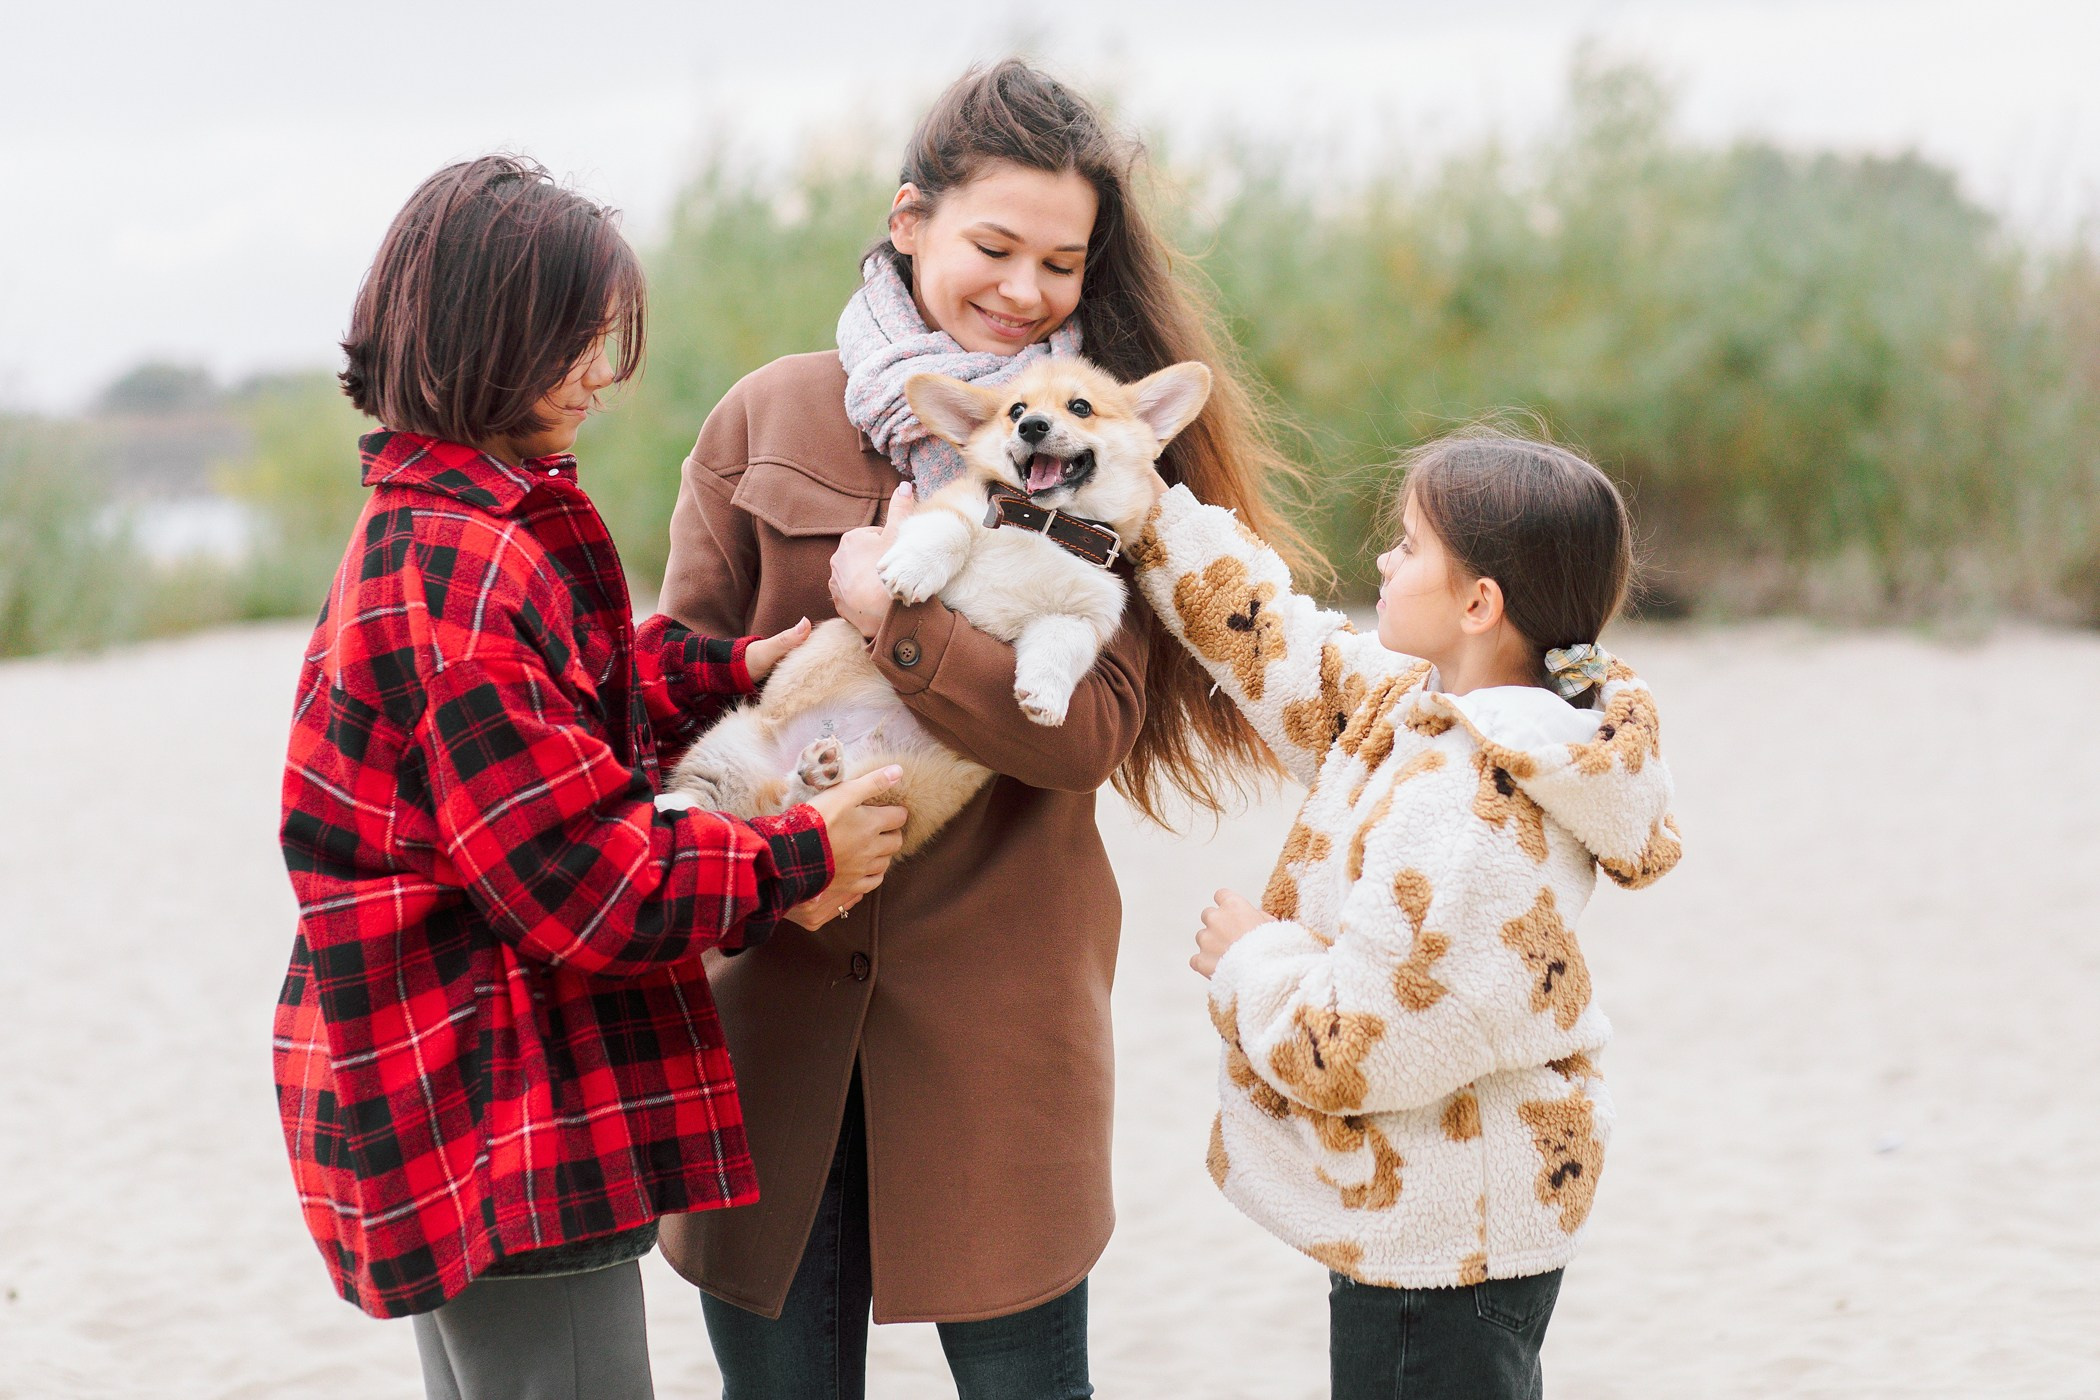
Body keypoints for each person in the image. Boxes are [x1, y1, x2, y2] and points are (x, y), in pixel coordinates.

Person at [653, 59, 1304, 1398]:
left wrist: (890, 617)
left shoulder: (1111, 455)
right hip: (770, 1005)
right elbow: (673, 687)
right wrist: (741, 867)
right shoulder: (766, 416)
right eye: (994, 247)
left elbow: (1088, 735)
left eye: (1062, 264)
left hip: (1000, 1027)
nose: (1025, 290)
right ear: (911, 223)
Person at [269, 154, 907, 1400]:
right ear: (486, 339)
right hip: (501, 1095)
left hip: (434, 1085)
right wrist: (801, 854)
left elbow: (560, 709)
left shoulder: (437, 528)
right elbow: (584, 878)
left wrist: (723, 670)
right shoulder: (460, 571)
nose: (597, 378)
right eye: (574, 343)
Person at [1131, 427, 1684, 1399]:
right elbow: (1287, 651)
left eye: (1409, 544)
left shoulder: (1467, 803)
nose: (1385, 561)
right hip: (1458, 1212)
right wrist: (1150, 516)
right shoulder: (1434, 708)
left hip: (1446, 1241)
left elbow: (1368, 1045)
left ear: (1478, 604)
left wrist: (1253, 959)